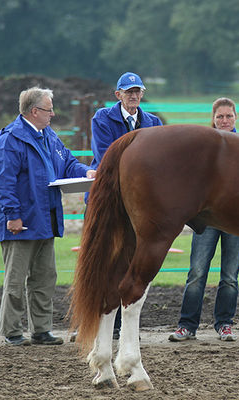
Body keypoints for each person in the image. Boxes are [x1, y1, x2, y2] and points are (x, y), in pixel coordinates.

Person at [0, 87, 96, 346]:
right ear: (34, 111)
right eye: (49, 109)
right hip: (21, 222)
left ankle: (41, 330)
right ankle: (12, 331)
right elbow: (3, 183)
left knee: (45, 277)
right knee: (15, 280)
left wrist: (87, 172)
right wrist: (12, 216)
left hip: (45, 220)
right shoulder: (11, 140)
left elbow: (68, 162)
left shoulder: (48, 135)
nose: (53, 114)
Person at [87, 72, 163, 340]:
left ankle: (125, 325)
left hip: (138, 203)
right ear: (117, 95)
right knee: (108, 260)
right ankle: (104, 322)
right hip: (111, 199)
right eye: (128, 91)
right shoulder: (103, 118)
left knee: (133, 260)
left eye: (137, 91)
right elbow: (106, 156)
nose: (134, 96)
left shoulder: (152, 121)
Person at [169, 98, 239, 342]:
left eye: (229, 116)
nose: (225, 120)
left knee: (230, 276)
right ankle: (187, 325)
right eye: (220, 116)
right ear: (213, 118)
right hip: (207, 219)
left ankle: (224, 324)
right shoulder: (203, 147)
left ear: (236, 118)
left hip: (237, 220)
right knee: (197, 272)